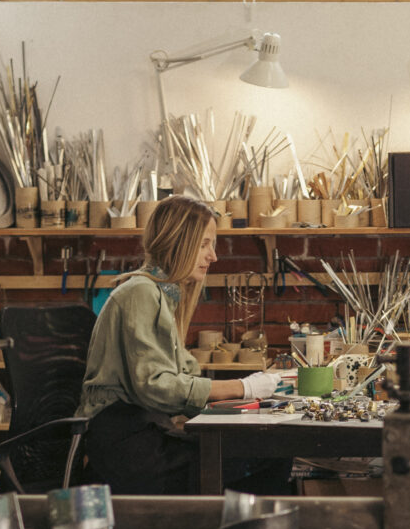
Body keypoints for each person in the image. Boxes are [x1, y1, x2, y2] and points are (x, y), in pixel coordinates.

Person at [76, 195, 290, 495]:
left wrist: (253, 401)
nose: (213, 256)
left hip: (144, 432)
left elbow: (185, 378)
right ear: (178, 242)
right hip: (126, 446)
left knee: (261, 449)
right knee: (269, 458)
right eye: (204, 244)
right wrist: (243, 388)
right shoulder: (141, 293)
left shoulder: (162, 295)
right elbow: (156, 387)